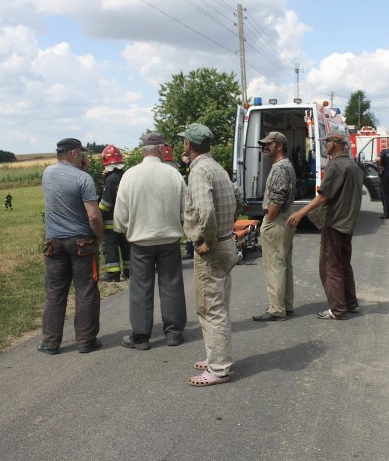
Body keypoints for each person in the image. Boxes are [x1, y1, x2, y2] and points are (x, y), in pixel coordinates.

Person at [112, 132, 187, 350]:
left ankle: (141, 336)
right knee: (171, 284)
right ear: (162, 149)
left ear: (143, 151)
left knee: (140, 288)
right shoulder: (173, 174)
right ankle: (173, 333)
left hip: (140, 241)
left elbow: (120, 214)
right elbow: (186, 209)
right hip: (169, 239)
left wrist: (125, 230)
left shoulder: (130, 175)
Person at [180, 123, 241, 386]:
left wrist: (209, 241)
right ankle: (216, 356)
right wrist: (226, 230)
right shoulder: (217, 168)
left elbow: (205, 212)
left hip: (213, 248)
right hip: (227, 241)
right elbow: (237, 197)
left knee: (209, 308)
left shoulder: (199, 172)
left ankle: (218, 368)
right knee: (219, 305)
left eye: (184, 142)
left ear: (189, 145)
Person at [287, 129, 363, 320]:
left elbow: (324, 196)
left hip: (335, 223)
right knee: (344, 264)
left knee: (331, 267)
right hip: (348, 223)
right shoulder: (353, 166)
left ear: (335, 143)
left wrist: (301, 212)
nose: (325, 145)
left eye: (327, 142)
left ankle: (337, 309)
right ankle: (351, 303)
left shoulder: (336, 166)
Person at [38, 138, 104, 355]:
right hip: (81, 242)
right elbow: (94, 216)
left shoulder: (47, 173)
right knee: (85, 291)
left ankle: (50, 343)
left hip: (53, 242)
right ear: (75, 154)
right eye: (82, 154)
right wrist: (99, 237)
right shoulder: (84, 179)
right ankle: (86, 340)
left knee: (55, 292)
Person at [252, 131, 296, 322]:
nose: (265, 147)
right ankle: (286, 304)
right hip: (284, 218)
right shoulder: (286, 165)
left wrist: (268, 220)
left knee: (274, 265)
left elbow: (277, 198)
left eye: (268, 144)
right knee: (284, 263)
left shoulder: (279, 168)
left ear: (278, 146)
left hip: (276, 220)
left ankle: (276, 309)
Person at [98, 145, 131, 282]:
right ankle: (130, 271)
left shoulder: (111, 179)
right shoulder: (125, 176)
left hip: (111, 222)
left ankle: (113, 275)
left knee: (110, 247)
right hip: (125, 220)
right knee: (126, 246)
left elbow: (106, 203)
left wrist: (98, 216)